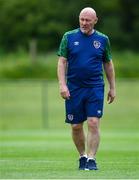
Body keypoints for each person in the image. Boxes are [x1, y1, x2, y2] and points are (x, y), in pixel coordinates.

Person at [57, 7, 116, 170]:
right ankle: (82, 156)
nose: (84, 23)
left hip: (95, 87)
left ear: (95, 20)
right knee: (76, 126)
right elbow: (62, 62)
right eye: (82, 19)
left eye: (88, 20)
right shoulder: (68, 37)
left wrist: (112, 87)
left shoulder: (103, 40)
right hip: (74, 88)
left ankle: (92, 159)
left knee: (93, 122)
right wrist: (62, 84)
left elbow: (108, 64)